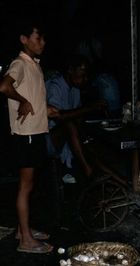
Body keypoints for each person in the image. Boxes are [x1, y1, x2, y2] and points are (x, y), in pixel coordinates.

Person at [0, 19, 54, 253]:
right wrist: (23, 101)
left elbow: (30, 94)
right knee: (25, 186)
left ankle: (24, 229)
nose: (42, 42)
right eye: (37, 37)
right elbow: (4, 87)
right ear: (24, 40)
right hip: (27, 134)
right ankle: (25, 241)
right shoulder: (20, 64)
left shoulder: (33, 64)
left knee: (29, 186)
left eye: (42, 38)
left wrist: (45, 108)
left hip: (34, 131)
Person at [46, 54, 107, 178]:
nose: (85, 79)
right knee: (68, 123)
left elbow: (78, 117)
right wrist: (90, 108)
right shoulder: (55, 86)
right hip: (47, 138)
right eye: (82, 74)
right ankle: (87, 169)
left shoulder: (75, 89)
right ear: (70, 70)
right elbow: (58, 116)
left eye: (86, 75)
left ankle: (99, 170)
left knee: (86, 135)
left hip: (66, 136)